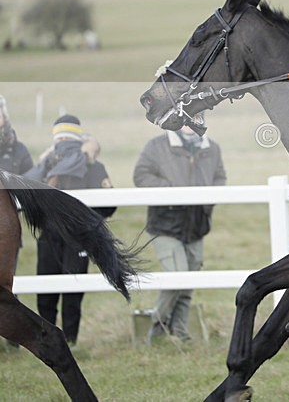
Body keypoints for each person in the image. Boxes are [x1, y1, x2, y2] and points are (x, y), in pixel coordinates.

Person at [133, 114, 226, 343]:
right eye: (186, 118)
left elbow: (220, 178)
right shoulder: (156, 146)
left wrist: (207, 199)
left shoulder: (212, 148)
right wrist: (171, 192)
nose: (190, 123)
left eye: (197, 117)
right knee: (178, 276)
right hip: (166, 223)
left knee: (189, 280)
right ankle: (155, 330)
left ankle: (180, 332)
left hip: (197, 225)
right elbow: (141, 176)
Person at [24, 114, 115, 345]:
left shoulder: (93, 166)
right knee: (45, 291)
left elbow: (110, 204)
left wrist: (87, 222)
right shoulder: (45, 165)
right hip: (48, 237)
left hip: (78, 240)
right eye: (60, 137)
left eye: (68, 136)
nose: (64, 141)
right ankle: (46, 341)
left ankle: (71, 341)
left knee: (73, 292)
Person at [0, 95, 34, 348]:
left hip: (7, 224)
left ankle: (13, 336)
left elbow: (29, 179)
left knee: (7, 280)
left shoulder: (18, 148)